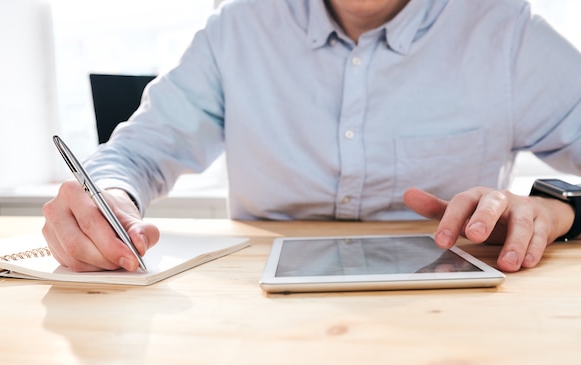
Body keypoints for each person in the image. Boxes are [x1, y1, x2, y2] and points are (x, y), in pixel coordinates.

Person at [42, 0, 581, 274]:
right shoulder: (240, 26)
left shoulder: (507, 35)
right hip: (259, 314)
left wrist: (560, 211)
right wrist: (107, 197)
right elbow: (136, 154)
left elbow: (562, 205)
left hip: (456, 316)